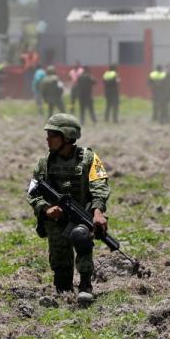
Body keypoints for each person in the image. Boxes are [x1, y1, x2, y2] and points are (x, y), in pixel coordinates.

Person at [28, 113, 111, 303]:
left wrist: (98, 212)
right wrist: (46, 208)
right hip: (55, 221)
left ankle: (85, 285)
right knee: (60, 263)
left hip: (80, 217)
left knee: (81, 237)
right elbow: (32, 192)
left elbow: (99, 185)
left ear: (66, 137)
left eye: (52, 135)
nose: (47, 139)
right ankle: (63, 290)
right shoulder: (44, 163)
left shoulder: (89, 158)